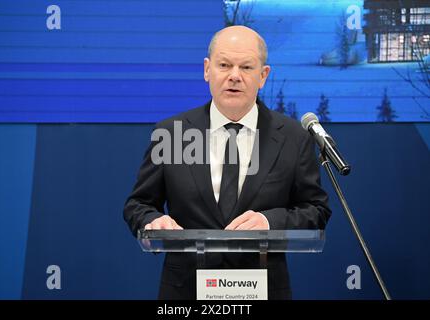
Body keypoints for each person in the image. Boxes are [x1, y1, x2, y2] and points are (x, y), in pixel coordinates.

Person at [123, 25, 331, 300]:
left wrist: (269, 221)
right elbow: (138, 205)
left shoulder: (292, 137)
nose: (234, 76)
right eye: (224, 65)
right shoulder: (172, 134)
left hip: (264, 290)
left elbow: (316, 210)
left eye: (246, 67)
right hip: (186, 292)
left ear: (263, 76)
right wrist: (153, 221)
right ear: (207, 70)